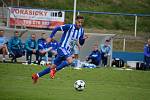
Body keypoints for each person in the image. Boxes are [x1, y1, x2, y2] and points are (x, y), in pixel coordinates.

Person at [32, 15, 88, 83]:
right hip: (62, 48)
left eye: (82, 22)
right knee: (70, 60)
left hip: (67, 51)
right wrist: (50, 37)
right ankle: (55, 71)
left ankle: (36, 76)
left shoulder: (81, 30)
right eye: (79, 22)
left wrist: (83, 39)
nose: (80, 24)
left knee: (52, 66)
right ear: (76, 21)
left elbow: (81, 42)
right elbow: (56, 28)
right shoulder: (69, 27)